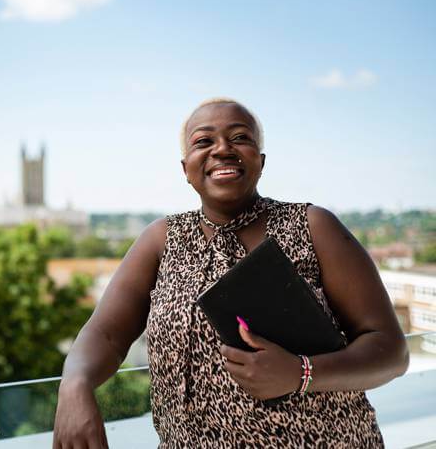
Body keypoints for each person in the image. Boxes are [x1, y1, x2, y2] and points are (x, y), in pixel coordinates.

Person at [52, 98, 409, 448]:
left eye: (240, 137)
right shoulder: (161, 240)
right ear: (186, 167)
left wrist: (300, 373)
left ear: (261, 160)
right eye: (203, 141)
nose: (222, 149)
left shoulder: (313, 226)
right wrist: (74, 384)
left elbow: (392, 351)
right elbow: (105, 334)